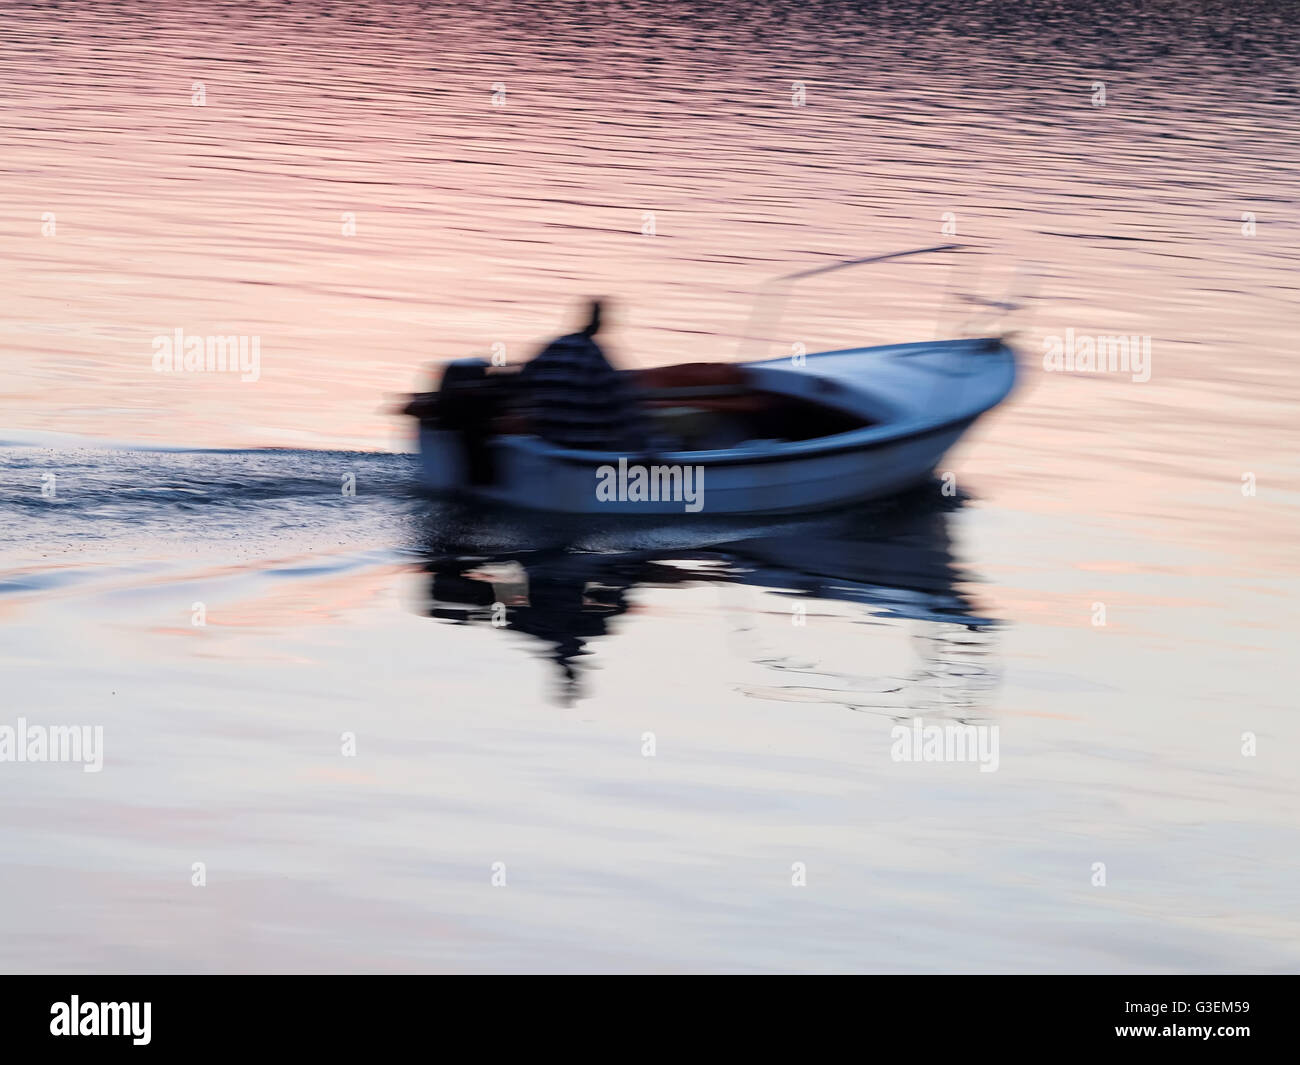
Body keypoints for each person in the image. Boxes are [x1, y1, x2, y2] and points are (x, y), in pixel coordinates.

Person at [519, 299, 646, 450]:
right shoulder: (593, 355)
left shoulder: (556, 345)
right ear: (600, 322)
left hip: (549, 438)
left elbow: (524, 378)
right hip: (582, 445)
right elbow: (621, 404)